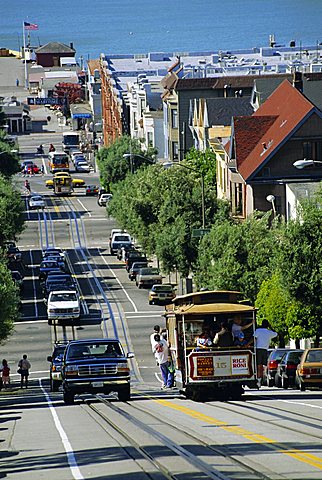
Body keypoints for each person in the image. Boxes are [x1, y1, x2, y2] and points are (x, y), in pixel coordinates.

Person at [254, 320, 277, 386]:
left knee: (259, 365)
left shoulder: (258, 330)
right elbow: (276, 333)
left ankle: (258, 380)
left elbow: (254, 338)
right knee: (263, 366)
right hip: (265, 349)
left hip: (258, 349)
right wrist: (270, 327)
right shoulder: (269, 332)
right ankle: (260, 379)